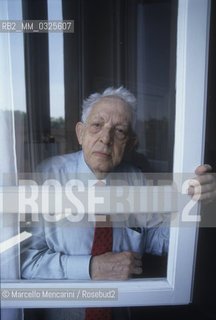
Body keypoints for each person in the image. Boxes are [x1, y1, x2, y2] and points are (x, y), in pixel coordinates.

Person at [21, 87, 215, 319]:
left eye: (119, 131)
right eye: (97, 125)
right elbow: (24, 261)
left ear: (130, 143)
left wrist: (194, 202)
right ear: (80, 133)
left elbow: (156, 239)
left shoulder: (136, 179)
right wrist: (91, 267)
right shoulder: (46, 176)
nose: (105, 138)